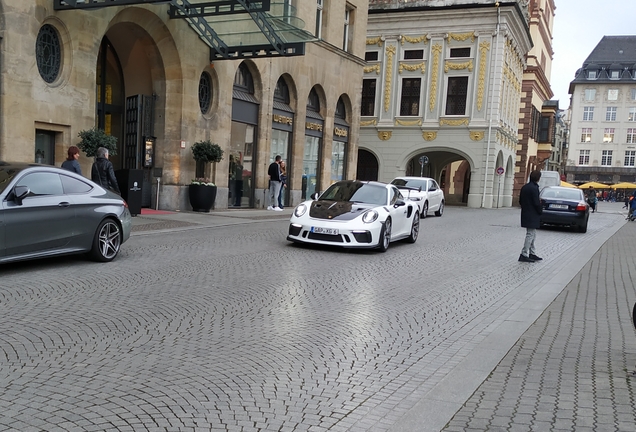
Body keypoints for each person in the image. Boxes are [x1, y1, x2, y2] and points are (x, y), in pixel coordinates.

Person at [519, 170, 543, 263]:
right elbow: (536, 203)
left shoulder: (525, 187)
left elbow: (520, 201)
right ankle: (524, 254)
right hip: (533, 214)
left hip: (526, 213)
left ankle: (532, 253)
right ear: (538, 178)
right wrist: (540, 210)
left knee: (533, 233)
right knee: (530, 234)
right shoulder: (534, 188)